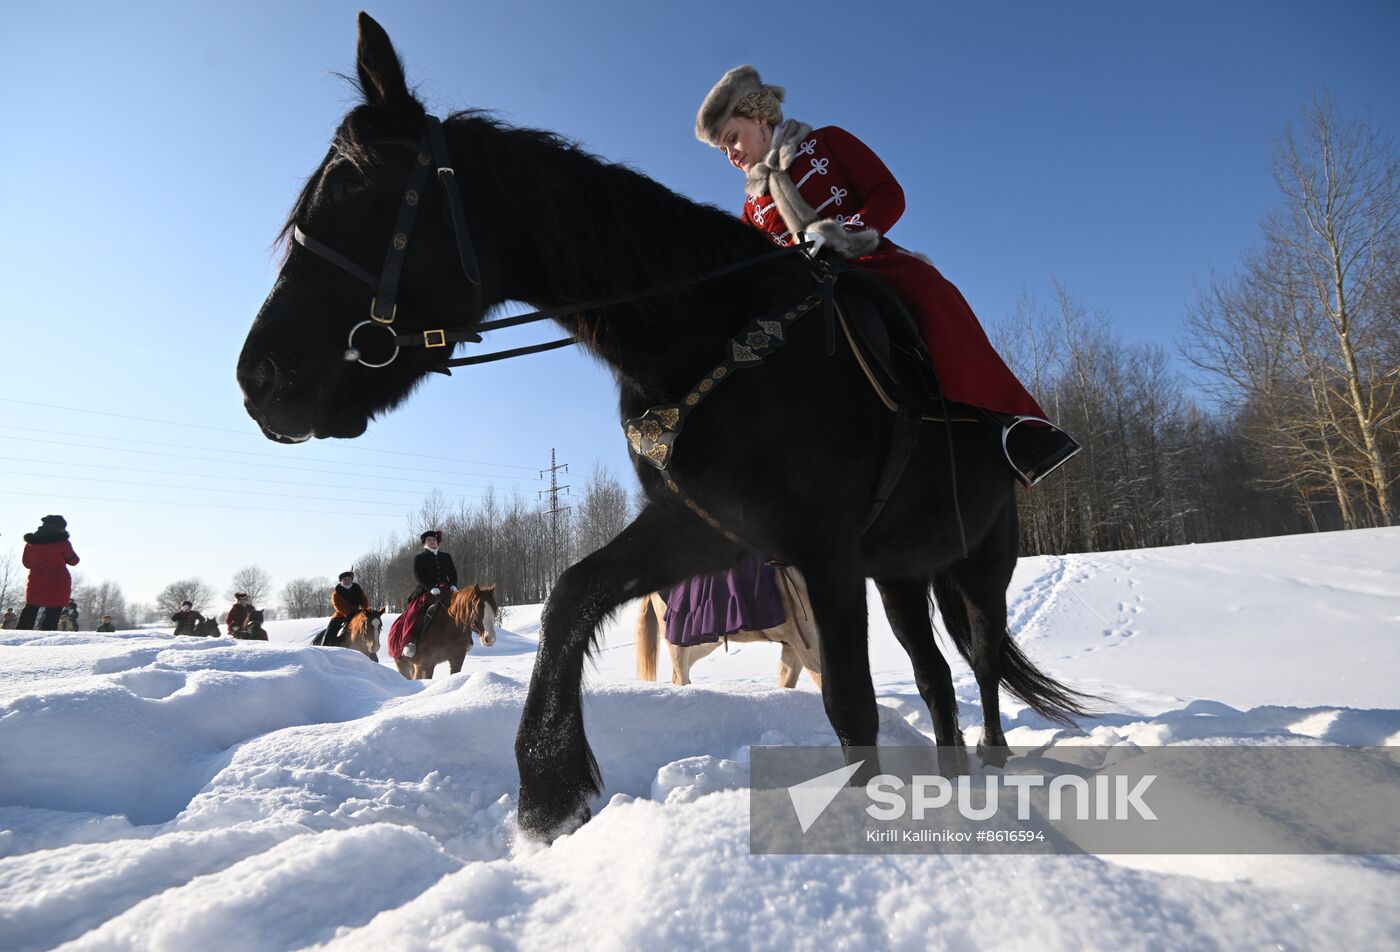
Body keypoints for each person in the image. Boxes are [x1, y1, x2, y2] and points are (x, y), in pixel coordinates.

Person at [695, 66, 1080, 486]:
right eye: (722, 150)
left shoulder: (827, 141)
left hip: (864, 262)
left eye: (732, 138)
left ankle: (1012, 424)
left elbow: (889, 196)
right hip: (800, 294)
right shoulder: (752, 210)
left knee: (932, 292)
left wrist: (842, 234)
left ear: (758, 117)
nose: (730, 154)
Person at [387, 530, 459, 660]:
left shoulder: (446, 556)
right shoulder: (420, 558)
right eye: (429, 540)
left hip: (446, 590)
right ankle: (411, 642)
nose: (433, 541)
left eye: (434, 539)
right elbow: (419, 576)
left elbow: (452, 572)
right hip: (426, 591)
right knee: (414, 613)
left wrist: (453, 584)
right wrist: (431, 588)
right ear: (424, 543)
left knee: (461, 609)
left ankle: (465, 639)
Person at [17, 515, 80, 631]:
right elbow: (74, 561)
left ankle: (22, 632)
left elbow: (26, 563)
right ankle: (46, 634)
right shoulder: (63, 542)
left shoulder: (31, 542)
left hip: (36, 579)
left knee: (31, 607)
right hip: (58, 581)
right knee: (54, 610)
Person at [322, 571, 370, 645]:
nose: (347, 581)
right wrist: (349, 614)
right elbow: (337, 606)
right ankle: (325, 646)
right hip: (341, 615)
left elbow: (364, 601)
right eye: (345, 579)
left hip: (357, 614)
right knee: (330, 631)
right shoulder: (336, 593)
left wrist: (364, 611)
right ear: (341, 581)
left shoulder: (358, 589)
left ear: (351, 580)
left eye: (349, 579)